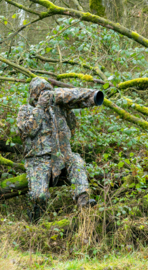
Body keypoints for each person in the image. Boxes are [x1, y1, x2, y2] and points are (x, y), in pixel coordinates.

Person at [17, 77, 104, 222]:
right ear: (34, 95)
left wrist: (67, 110)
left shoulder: (58, 109)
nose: (46, 95)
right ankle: (35, 221)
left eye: (48, 92)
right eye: (42, 93)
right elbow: (27, 131)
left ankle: (83, 199)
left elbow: (71, 129)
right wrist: (40, 107)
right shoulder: (25, 110)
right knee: (40, 196)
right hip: (38, 160)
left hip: (61, 157)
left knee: (76, 161)